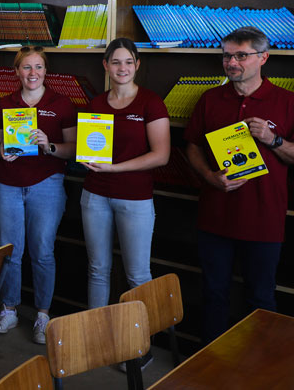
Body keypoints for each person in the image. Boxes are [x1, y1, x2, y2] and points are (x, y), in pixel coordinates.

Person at [184, 27, 294, 344]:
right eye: (227, 55)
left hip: (264, 221)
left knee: (261, 300)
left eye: (240, 55)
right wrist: (209, 176)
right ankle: (210, 370)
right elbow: (191, 145)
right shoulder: (209, 99)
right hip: (214, 218)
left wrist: (273, 140)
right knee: (213, 295)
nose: (231, 62)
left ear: (263, 58)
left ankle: (259, 373)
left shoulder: (286, 102)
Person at [0, 46, 76, 344]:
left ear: (45, 71)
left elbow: (73, 149)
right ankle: (9, 308)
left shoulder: (61, 104)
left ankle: (41, 314)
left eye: (38, 67)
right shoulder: (5, 104)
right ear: (17, 72)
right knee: (9, 249)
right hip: (9, 183)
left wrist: (48, 145)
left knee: (42, 251)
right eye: (26, 67)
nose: (33, 73)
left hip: (47, 183)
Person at [80, 38, 170, 314]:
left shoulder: (150, 102)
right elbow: (88, 147)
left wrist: (115, 168)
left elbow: (161, 155)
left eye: (129, 62)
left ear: (137, 65)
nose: (123, 68)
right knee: (97, 269)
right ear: (106, 65)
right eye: (116, 62)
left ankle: (139, 348)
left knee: (138, 275)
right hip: (95, 195)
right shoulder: (95, 103)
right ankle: (96, 338)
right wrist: (86, 159)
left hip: (135, 199)